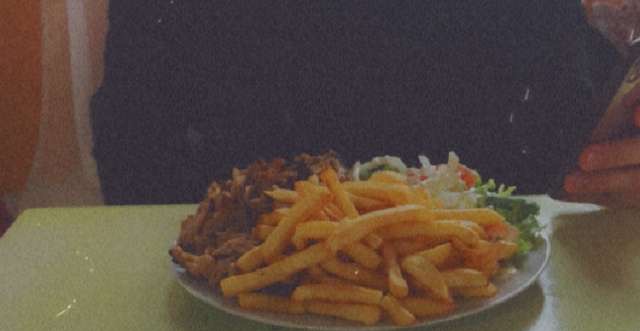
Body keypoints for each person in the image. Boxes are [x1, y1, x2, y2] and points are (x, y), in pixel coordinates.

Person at [90, 0, 639, 206]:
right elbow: (132, 148)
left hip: (483, 318)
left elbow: (565, 133)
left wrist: (613, 158)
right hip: (229, 330)